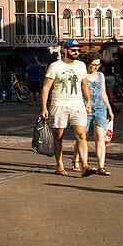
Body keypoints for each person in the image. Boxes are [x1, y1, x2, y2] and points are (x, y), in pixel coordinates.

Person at [40, 40, 95, 177]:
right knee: (58, 136)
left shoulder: (81, 65)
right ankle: (59, 165)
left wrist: (88, 101)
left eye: (78, 51)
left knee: (82, 135)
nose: (77, 53)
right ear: (65, 50)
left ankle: (85, 166)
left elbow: (84, 85)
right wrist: (44, 107)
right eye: (73, 50)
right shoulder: (55, 66)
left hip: (77, 105)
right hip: (59, 104)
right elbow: (46, 88)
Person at [71, 50, 113, 175]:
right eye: (93, 65)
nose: (96, 67)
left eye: (98, 65)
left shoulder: (101, 76)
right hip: (85, 109)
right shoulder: (82, 75)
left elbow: (103, 93)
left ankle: (101, 167)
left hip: (100, 108)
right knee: (83, 136)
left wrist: (109, 108)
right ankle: (75, 160)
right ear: (87, 64)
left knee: (100, 136)